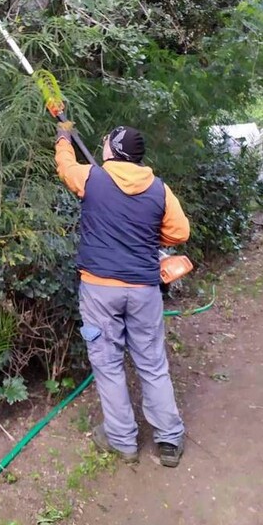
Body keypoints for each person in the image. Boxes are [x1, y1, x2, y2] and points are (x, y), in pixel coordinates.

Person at [55, 123, 190, 467]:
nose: (101, 147)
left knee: (108, 362)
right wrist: (147, 235)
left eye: (105, 144)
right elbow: (179, 231)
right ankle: (169, 441)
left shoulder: (92, 179)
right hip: (144, 289)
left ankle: (122, 439)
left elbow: (65, 169)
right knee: (153, 364)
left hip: (100, 290)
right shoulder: (159, 190)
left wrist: (63, 137)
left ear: (114, 150)